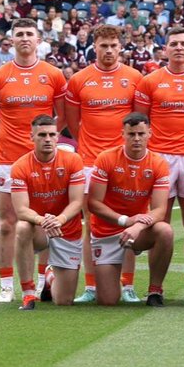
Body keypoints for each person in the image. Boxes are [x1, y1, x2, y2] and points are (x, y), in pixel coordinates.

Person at [0, 18, 67, 303]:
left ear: (38, 39)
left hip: (44, 160)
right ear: (11, 39)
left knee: (45, 220)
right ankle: (7, 285)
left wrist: (44, 142)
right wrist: (8, 136)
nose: (24, 38)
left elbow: (63, 116)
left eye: (29, 34)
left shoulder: (53, 74)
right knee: (7, 223)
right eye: (19, 34)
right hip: (9, 158)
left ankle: (45, 278)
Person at [65, 26, 144, 304]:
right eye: (103, 46)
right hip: (90, 162)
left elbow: (139, 122)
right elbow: (74, 124)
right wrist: (91, 147)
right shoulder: (79, 80)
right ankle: (90, 286)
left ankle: (129, 285)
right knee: (91, 223)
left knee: (130, 222)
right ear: (94, 47)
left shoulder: (134, 78)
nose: (108, 50)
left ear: (120, 47)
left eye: (113, 45)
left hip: (126, 163)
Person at [135, 24, 184, 299]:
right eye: (173, 44)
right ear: (165, 49)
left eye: (183, 43)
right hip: (159, 159)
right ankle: (155, 287)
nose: (178, 48)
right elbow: (141, 121)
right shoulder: (150, 81)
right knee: (161, 223)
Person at [86, 112, 174, 306]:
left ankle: (155, 291)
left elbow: (160, 210)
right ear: (123, 134)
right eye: (131, 134)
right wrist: (125, 221)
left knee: (165, 231)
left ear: (150, 133)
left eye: (141, 134)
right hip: (107, 232)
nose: (136, 138)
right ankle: (113, 280)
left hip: (137, 231)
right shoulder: (106, 159)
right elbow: (93, 203)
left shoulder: (158, 163)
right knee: (107, 301)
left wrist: (137, 226)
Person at [11, 116, 85, 308]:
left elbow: (77, 202)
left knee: (64, 301)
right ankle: (28, 292)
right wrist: (43, 220)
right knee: (22, 227)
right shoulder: (20, 166)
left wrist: (59, 220)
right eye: (42, 135)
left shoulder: (73, 160)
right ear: (31, 137)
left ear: (58, 136)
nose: (47, 139)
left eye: (52, 135)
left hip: (65, 227)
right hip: (39, 228)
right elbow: (20, 210)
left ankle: (50, 277)